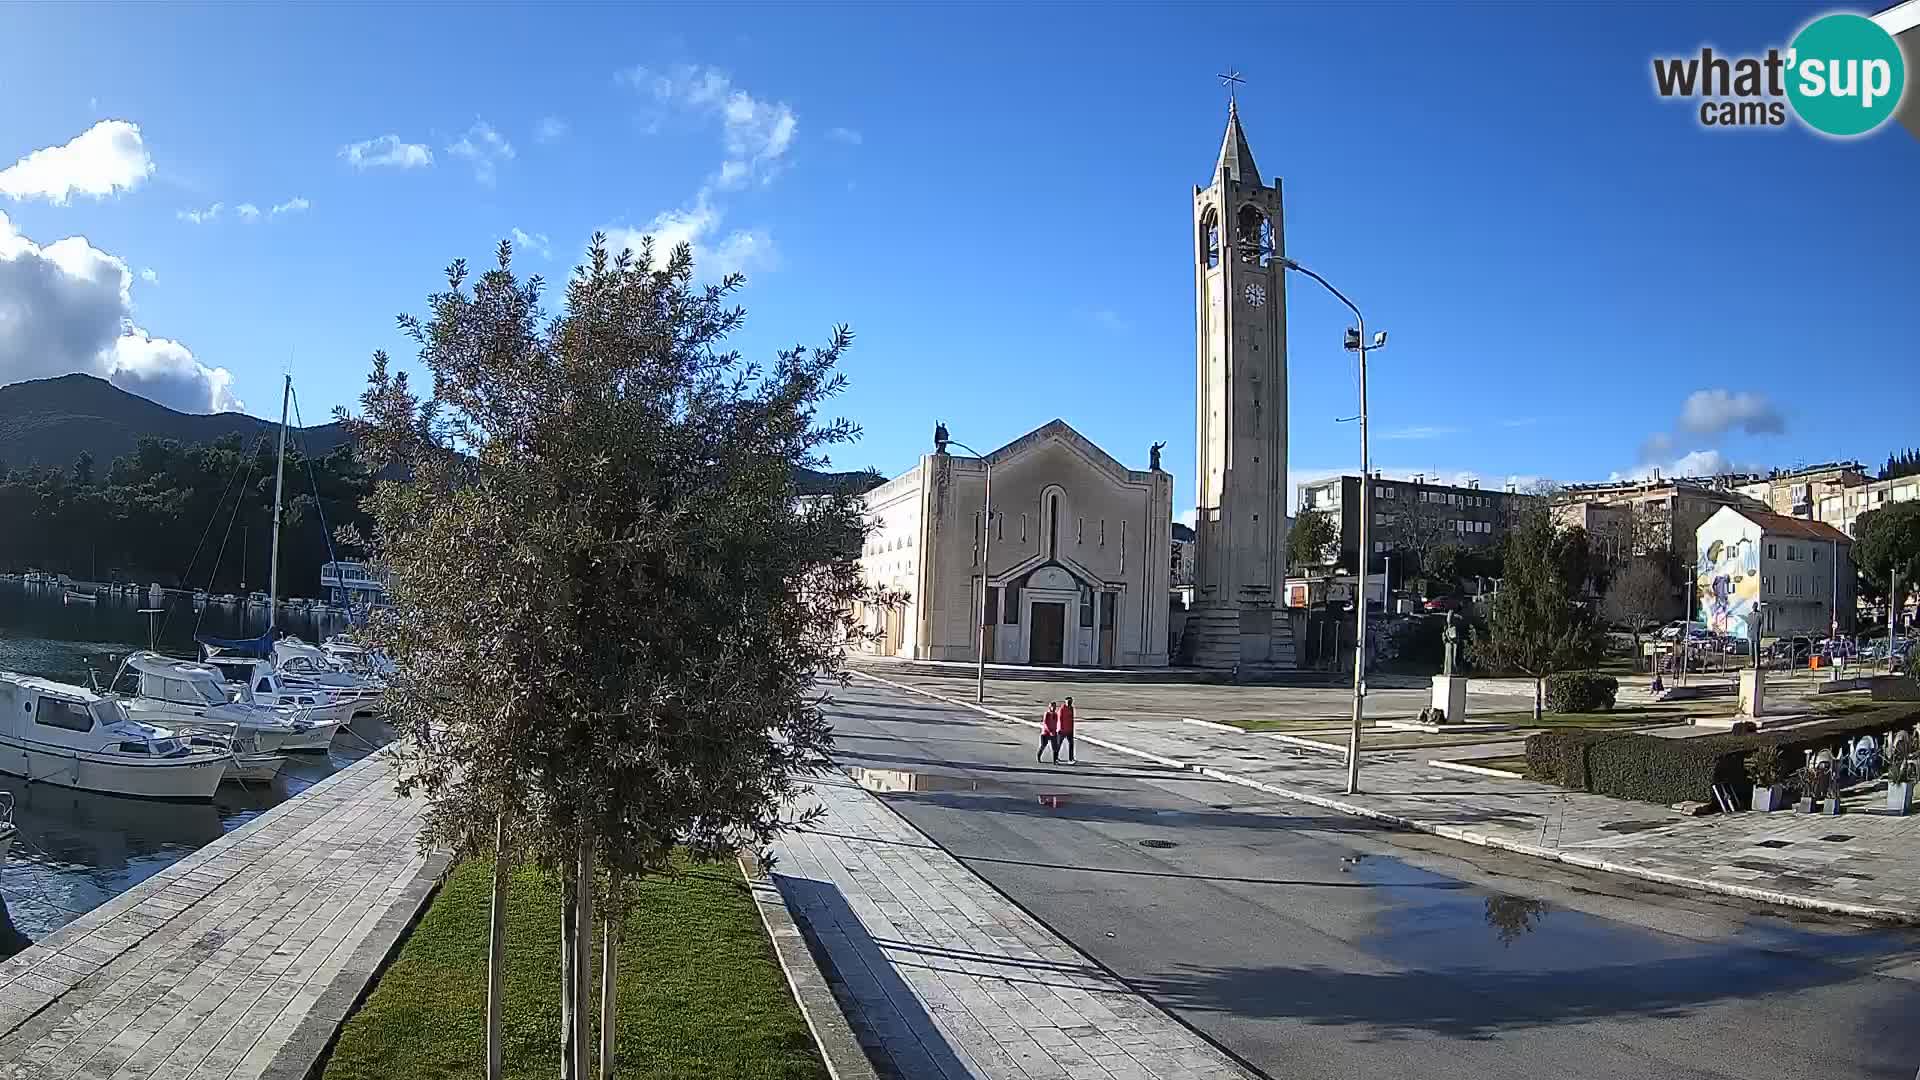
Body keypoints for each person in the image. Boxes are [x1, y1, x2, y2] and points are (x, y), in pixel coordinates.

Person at [1057, 696, 1076, 762]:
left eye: (1070, 702)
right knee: (1059, 744)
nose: (1069, 703)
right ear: (1065, 702)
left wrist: (1072, 729)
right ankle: (1056, 757)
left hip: (1070, 729)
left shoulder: (1071, 708)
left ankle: (1071, 758)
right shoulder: (1062, 709)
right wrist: (1061, 729)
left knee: (1071, 744)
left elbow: (1072, 719)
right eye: (1068, 702)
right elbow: (1060, 720)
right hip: (1062, 730)